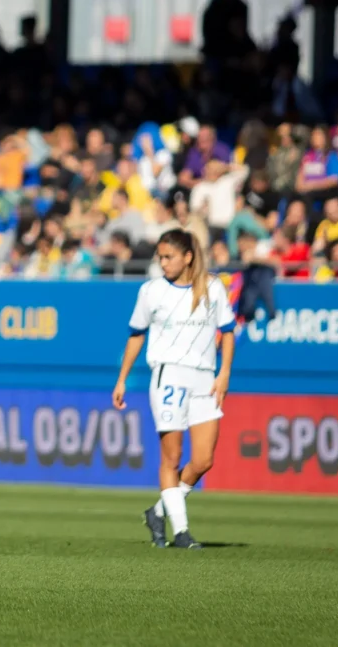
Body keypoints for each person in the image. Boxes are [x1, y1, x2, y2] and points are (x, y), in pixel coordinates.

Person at [111, 229, 236, 549]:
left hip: (205, 378)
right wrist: (122, 378)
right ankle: (181, 532)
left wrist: (224, 373)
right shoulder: (151, 291)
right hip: (168, 376)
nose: (163, 263)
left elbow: (228, 331)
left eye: (169, 257)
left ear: (188, 257)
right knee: (173, 456)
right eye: (161, 257)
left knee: (204, 460)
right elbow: (136, 335)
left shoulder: (212, 287)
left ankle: (158, 512)